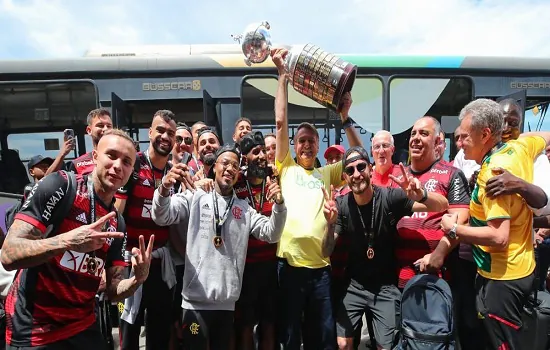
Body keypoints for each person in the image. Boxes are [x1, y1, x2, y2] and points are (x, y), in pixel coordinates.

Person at [1, 129, 154, 349]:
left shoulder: (117, 222)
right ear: (94, 157)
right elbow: (8, 253)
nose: (118, 166)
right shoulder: (61, 186)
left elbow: (112, 291)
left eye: (127, 162)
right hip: (35, 330)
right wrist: (67, 241)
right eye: (111, 155)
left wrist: (137, 280)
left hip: (81, 325)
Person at [151, 143, 287, 350]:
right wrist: (164, 188)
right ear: (214, 166)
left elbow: (271, 233)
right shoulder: (195, 196)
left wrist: (279, 205)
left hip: (226, 307)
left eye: (235, 165)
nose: (229, 169)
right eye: (225, 163)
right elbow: (162, 216)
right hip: (194, 305)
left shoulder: (244, 209)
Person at [271, 47, 362, 350]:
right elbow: (281, 122)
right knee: (289, 337)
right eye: (302, 141)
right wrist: (282, 77)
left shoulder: (327, 174)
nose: (307, 145)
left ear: (319, 143)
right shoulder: (286, 166)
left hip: (321, 270)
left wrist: (345, 118)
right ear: (294, 147)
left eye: (312, 140)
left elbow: (360, 157)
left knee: (322, 340)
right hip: (289, 269)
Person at [441, 98, 550, 349]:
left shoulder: (494, 174)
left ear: (486, 134)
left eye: (464, 137)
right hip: (519, 269)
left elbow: (499, 237)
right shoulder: (521, 145)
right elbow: (545, 136)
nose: (458, 143)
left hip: (503, 278)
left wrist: (454, 229)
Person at [322, 146, 448, 350]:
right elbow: (326, 251)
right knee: (343, 344)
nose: (356, 174)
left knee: (386, 347)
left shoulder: (390, 198)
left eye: (361, 167)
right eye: (350, 170)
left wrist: (420, 194)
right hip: (354, 284)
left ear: (370, 169)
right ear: (345, 177)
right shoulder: (342, 205)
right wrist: (329, 224)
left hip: (385, 287)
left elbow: (442, 205)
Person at [115, 110, 179, 350]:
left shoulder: (176, 174)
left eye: (170, 133)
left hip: (160, 265)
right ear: (149, 132)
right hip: (129, 263)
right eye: (160, 130)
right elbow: (117, 214)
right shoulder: (134, 165)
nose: (165, 136)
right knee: (128, 329)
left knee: (159, 331)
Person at [232, 131, 279, 350]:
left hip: (271, 266)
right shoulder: (236, 182)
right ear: (244, 158)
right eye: (255, 151)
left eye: (263, 150)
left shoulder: (276, 178)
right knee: (245, 325)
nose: (262, 155)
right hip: (244, 269)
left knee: (269, 324)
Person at [64, 108, 113, 175]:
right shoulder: (77, 164)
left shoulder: (123, 159)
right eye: (100, 125)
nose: (105, 129)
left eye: (109, 126)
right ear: (89, 130)